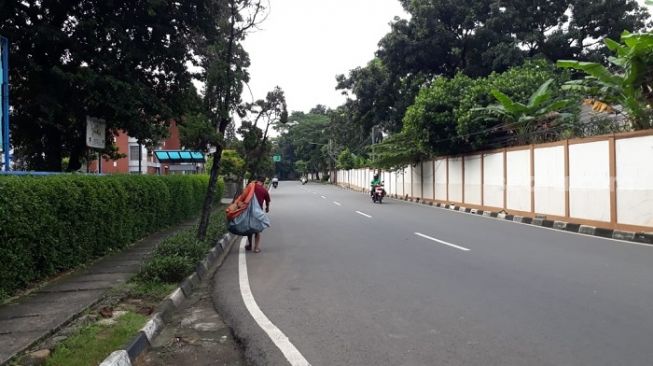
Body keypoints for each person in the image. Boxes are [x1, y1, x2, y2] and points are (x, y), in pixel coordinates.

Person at [245, 177, 271, 253]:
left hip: (248, 211)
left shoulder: (250, 186)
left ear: (257, 180)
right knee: (257, 230)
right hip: (258, 212)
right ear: (263, 182)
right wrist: (267, 208)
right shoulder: (264, 190)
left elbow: (244, 195)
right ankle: (256, 248)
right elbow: (267, 201)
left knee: (249, 229)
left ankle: (250, 245)